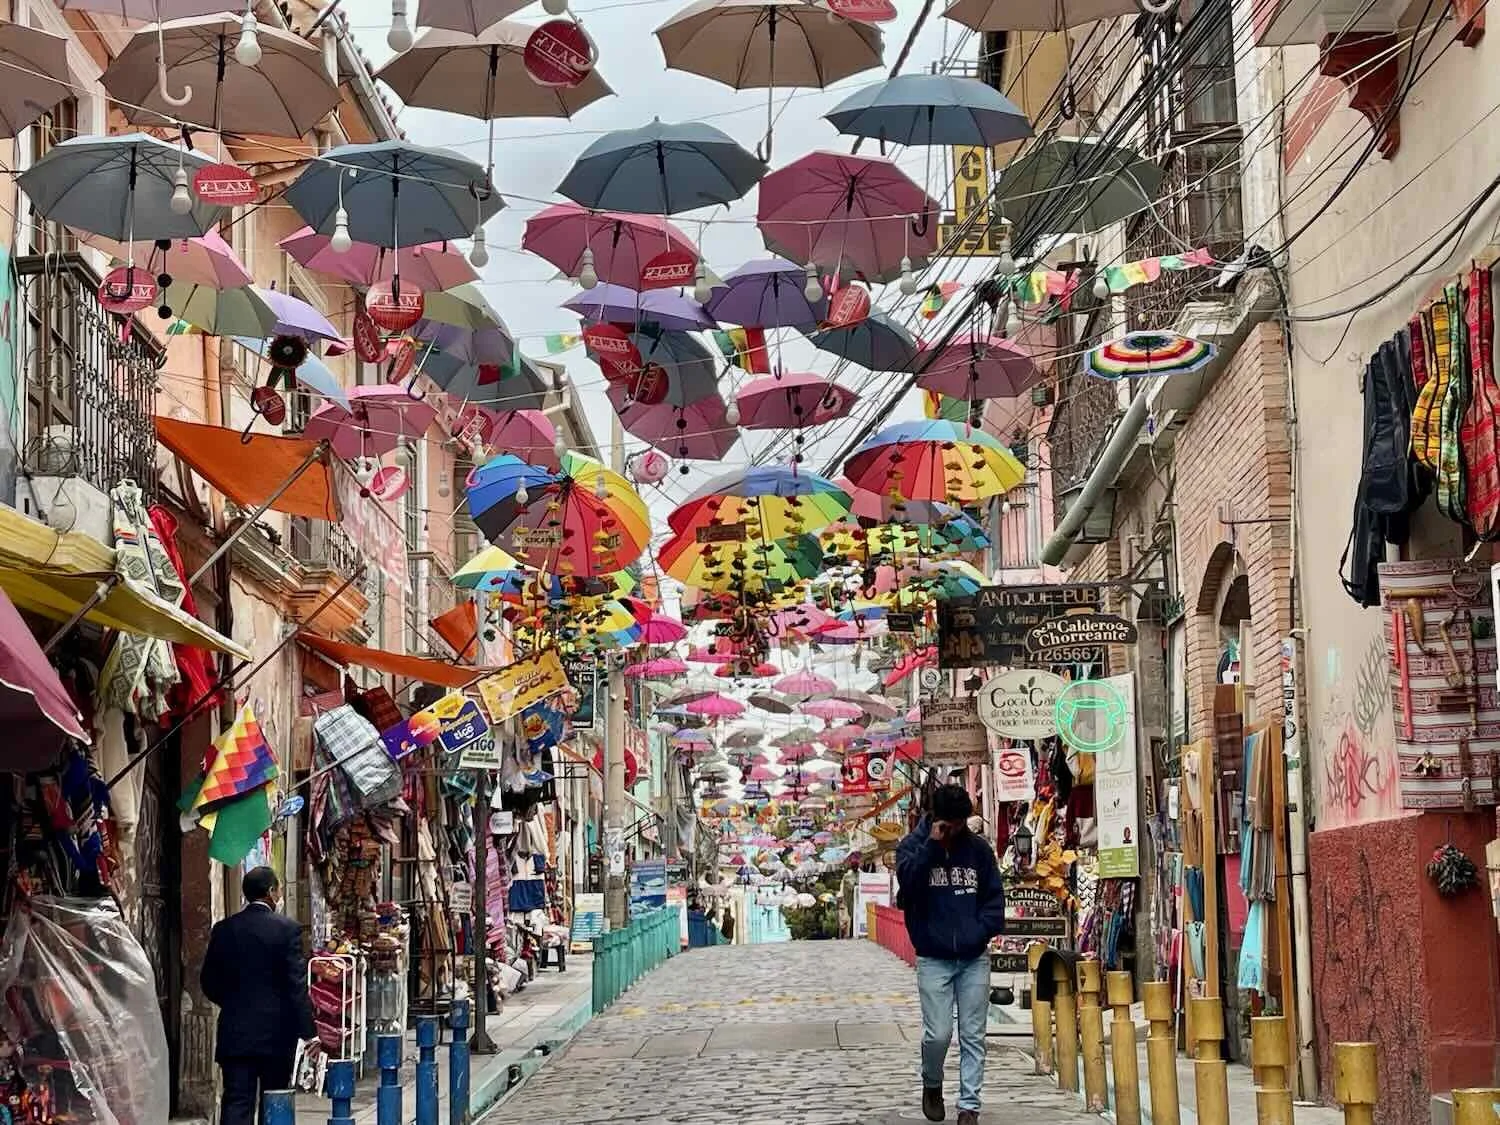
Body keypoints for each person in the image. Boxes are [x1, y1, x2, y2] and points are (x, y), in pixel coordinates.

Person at [895, 785, 1005, 1125]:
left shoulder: (979, 852)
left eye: (961, 823)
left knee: (973, 1034)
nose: (956, 830)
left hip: (973, 957)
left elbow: (994, 900)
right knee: (938, 1033)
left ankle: (969, 1106)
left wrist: (980, 931)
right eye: (950, 823)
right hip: (933, 957)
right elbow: (907, 890)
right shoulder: (912, 847)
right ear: (936, 818)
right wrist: (931, 845)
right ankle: (932, 1083)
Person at [201, 867, 318, 1125]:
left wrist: (233, 1004)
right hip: (276, 1036)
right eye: (277, 890)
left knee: (237, 1101)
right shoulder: (288, 930)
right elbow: (296, 986)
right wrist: (309, 1032)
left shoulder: (224, 929)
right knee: (274, 1101)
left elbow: (208, 981)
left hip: (235, 1032)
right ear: (271, 893)